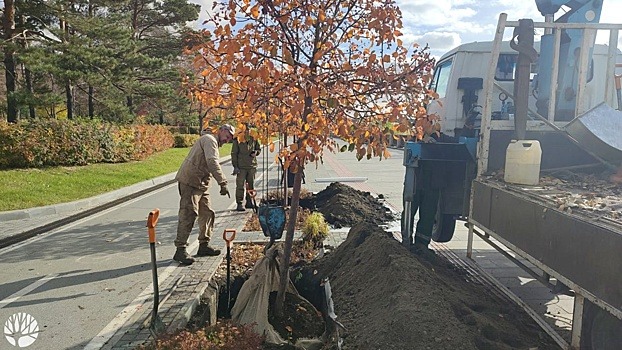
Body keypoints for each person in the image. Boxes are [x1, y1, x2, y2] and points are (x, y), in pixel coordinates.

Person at [172, 124, 234, 265]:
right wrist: (223, 182)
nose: (228, 140)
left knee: (207, 213)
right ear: (221, 130)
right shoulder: (210, 140)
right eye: (228, 136)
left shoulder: (213, 142)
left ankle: (203, 245)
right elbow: (212, 162)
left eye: (230, 138)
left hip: (201, 184)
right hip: (190, 181)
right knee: (189, 213)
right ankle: (180, 249)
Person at [231, 135, 261, 211]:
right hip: (241, 166)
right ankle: (239, 203)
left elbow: (258, 149)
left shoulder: (254, 137)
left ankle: (249, 202)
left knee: (251, 185)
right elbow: (234, 153)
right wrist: (235, 166)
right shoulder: (238, 139)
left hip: (251, 165)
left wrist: (256, 152)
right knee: (240, 185)